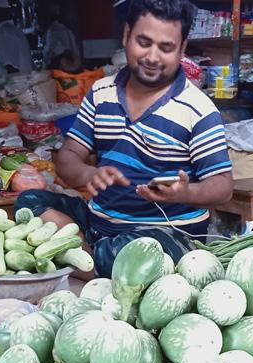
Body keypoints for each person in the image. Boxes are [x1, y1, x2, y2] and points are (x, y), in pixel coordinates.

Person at [15, 0, 233, 277]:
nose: (152, 57)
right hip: (99, 223)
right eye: (144, 42)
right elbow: (68, 157)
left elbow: (223, 187)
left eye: (166, 47)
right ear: (127, 35)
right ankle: (95, 260)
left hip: (166, 235)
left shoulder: (198, 110)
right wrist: (88, 173)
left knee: (141, 251)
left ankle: (84, 260)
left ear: (182, 48)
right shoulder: (100, 93)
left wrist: (185, 192)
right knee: (28, 203)